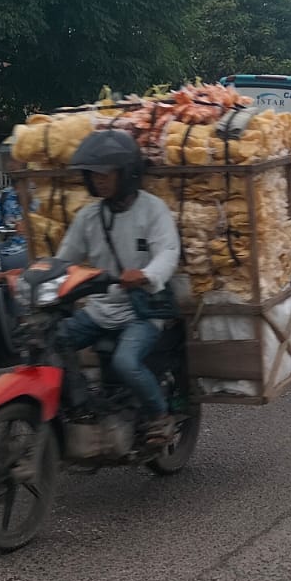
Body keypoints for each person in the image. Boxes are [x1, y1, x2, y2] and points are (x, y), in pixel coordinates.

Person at [54, 130, 182, 443]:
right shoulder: (89, 217)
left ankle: (160, 416)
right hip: (100, 310)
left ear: (126, 173)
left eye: (105, 173)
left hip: (142, 311)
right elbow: (64, 260)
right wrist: (29, 276)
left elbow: (168, 252)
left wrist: (146, 275)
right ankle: (80, 405)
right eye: (93, 174)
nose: (98, 180)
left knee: (125, 362)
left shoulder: (153, 209)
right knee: (51, 342)